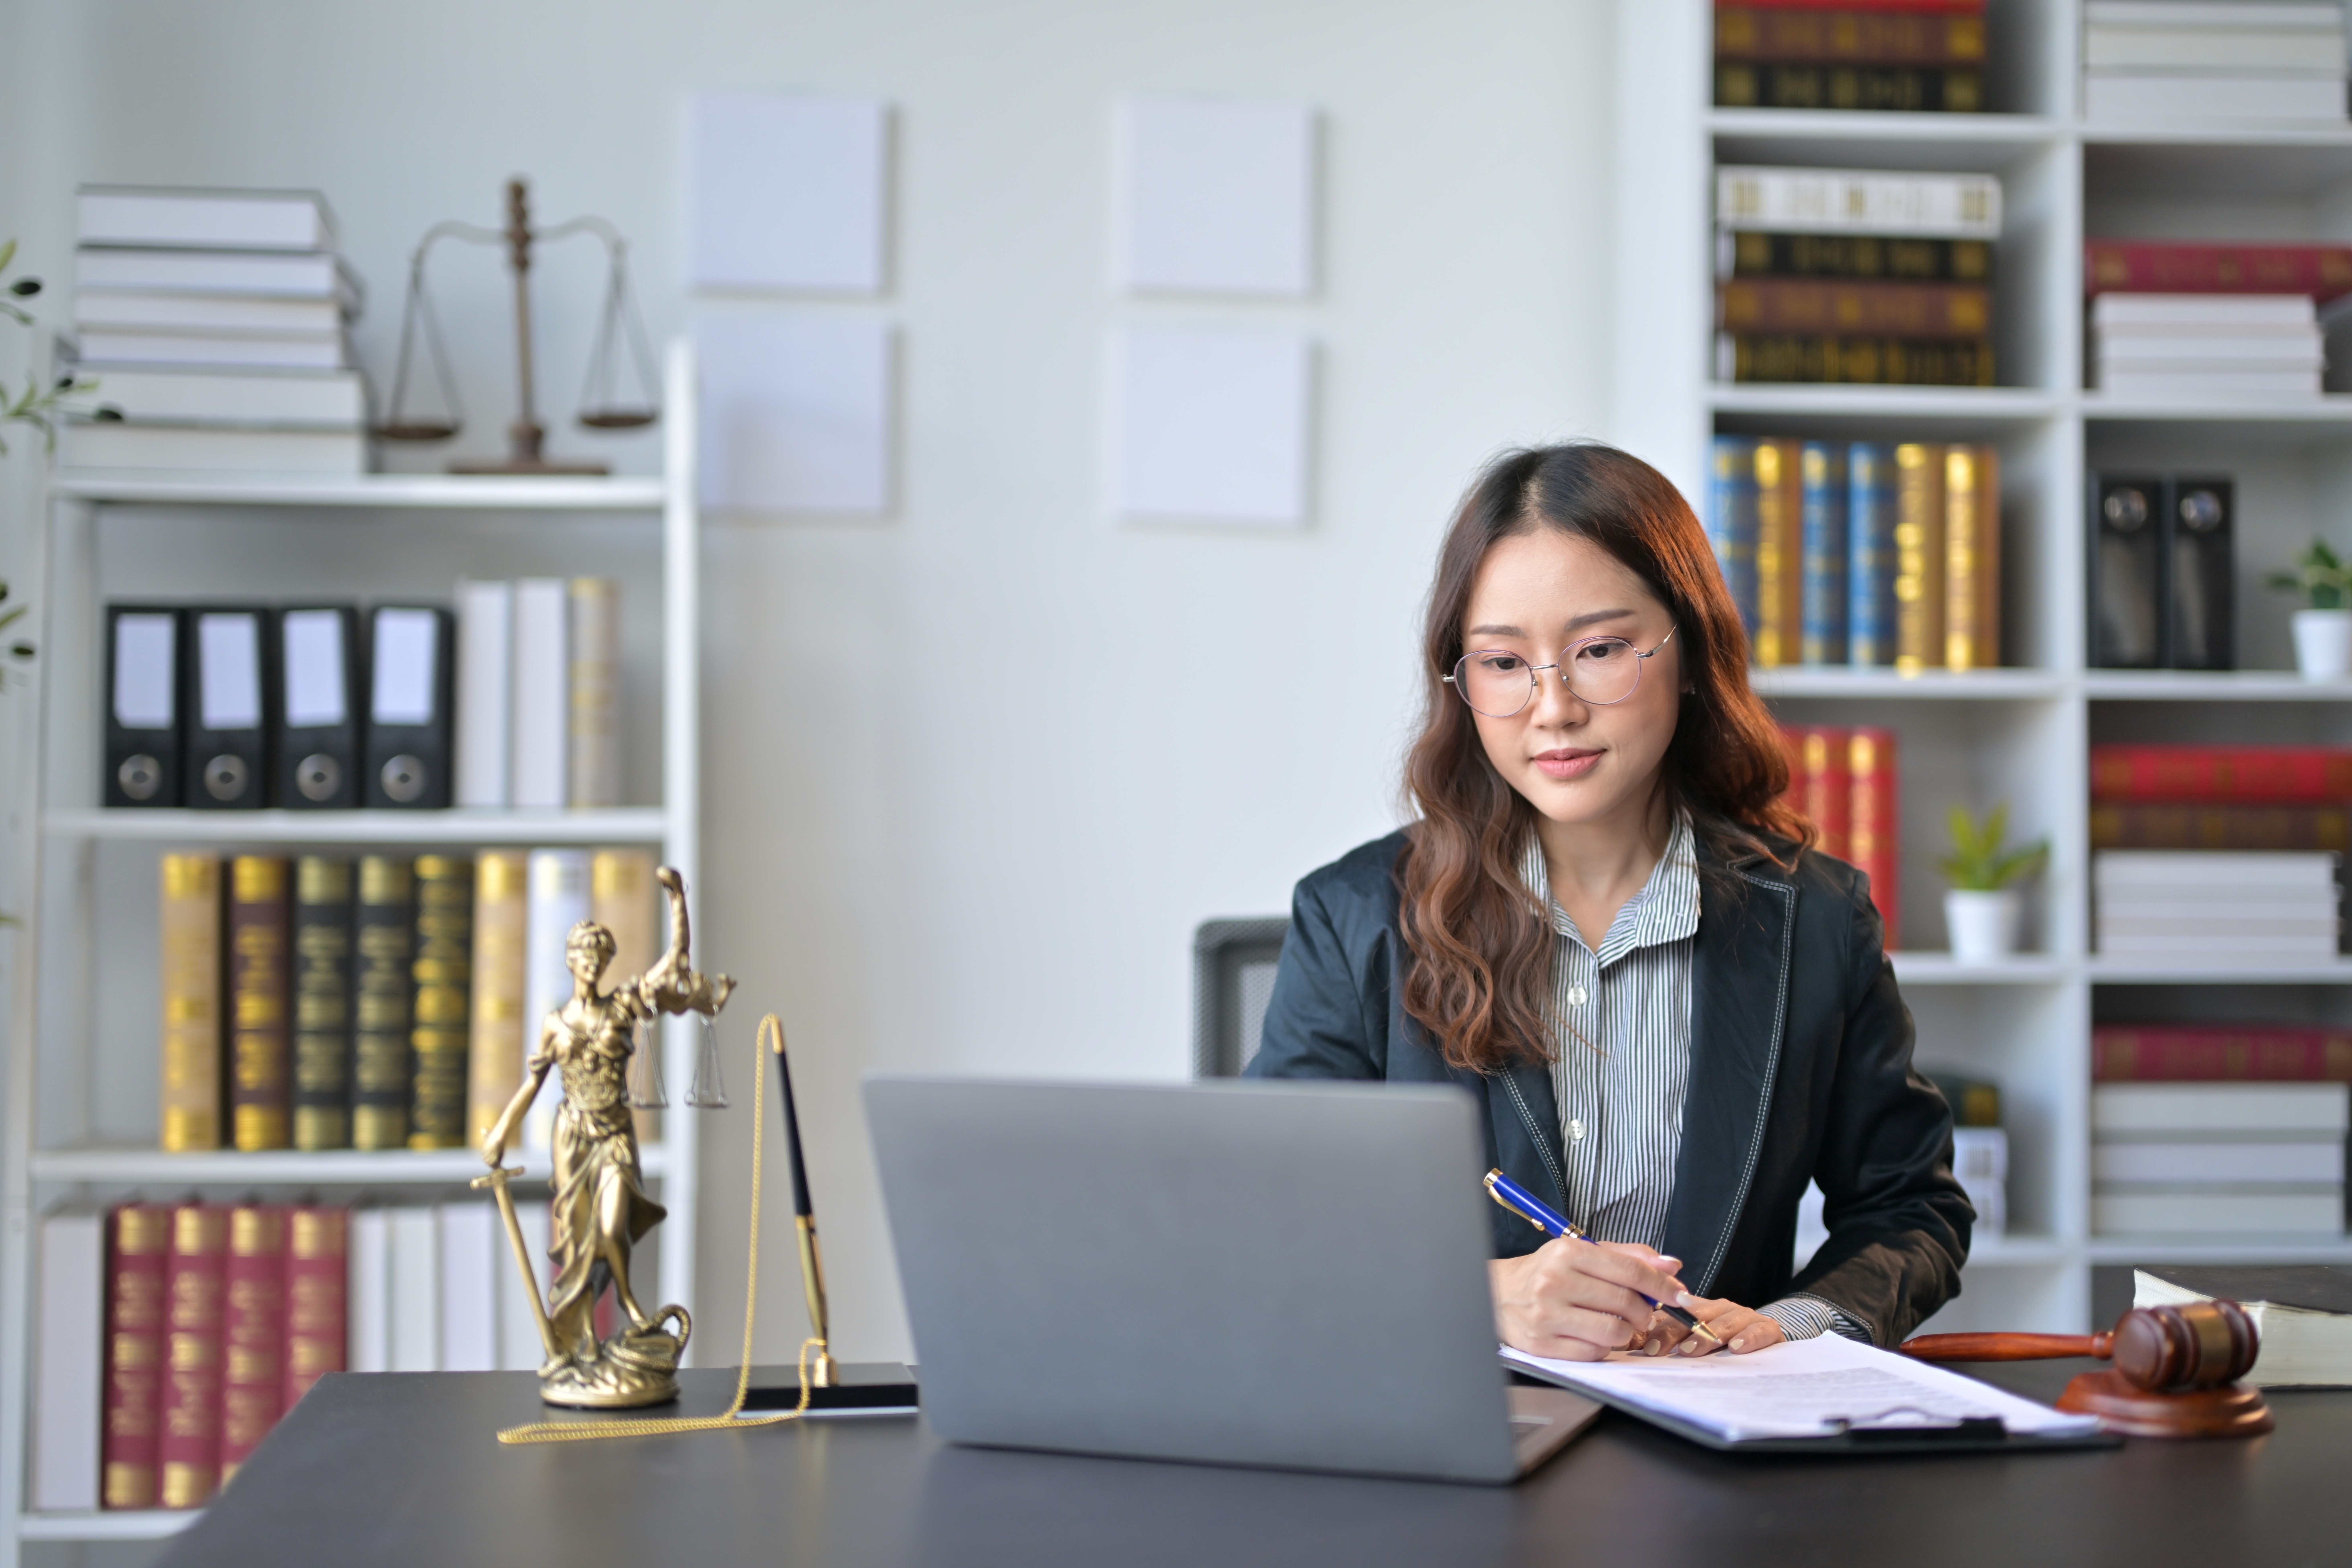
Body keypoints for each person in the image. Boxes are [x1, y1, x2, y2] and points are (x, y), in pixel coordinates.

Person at [1248, 442, 1969, 1363]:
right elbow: (1275, 1231)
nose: (1553, 709)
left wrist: (1788, 1327)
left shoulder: (1818, 921)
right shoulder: (1352, 918)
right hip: (1459, 1436)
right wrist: (1487, 1297)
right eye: (1504, 664)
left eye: (1598, 651)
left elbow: (1913, 1211)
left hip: (1715, 1454)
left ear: (1691, 652)